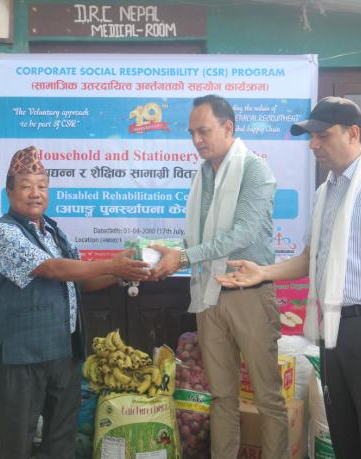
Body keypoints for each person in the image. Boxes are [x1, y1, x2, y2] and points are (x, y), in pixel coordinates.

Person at [217, 97, 361, 459]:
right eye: (311, 137)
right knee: (345, 437)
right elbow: (309, 260)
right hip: (333, 330)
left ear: (352, 133)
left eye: (323, 136)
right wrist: (262, 273)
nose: (313, 145)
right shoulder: (325, 193)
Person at [0, 146, 151, 459]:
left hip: (63, 352)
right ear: (9, 192)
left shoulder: (54, 231)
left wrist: (124, 273)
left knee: (61, 440)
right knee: (16, 443)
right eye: (26, 186)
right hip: (20, 357)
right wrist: (111, 264)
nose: (35, 193)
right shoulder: (3, 233)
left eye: (42, 186)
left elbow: (79, 280)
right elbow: (52, 269)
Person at [151, 95, 289, 459]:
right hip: (209, 294)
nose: (197, 140)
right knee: (222, 396)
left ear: (228, 128)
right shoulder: (203, 176)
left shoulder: (254, 170)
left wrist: (184, 256)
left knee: (267, 396)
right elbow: (201, 239)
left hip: (249, 294)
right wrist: (169, 252)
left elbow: (242, 233)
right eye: (192, 133)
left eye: (204, 131)